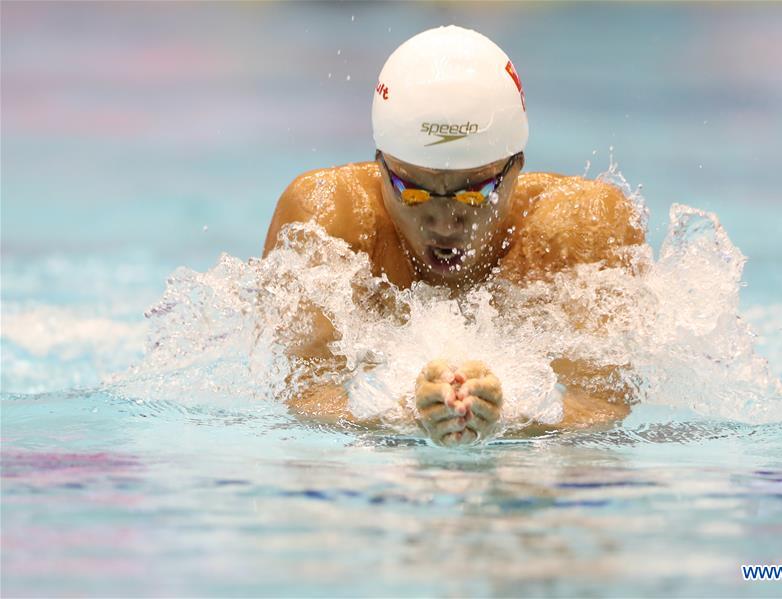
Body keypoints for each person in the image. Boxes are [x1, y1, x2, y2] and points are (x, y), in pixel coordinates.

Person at [263, 26, 643, 446]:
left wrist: (508, 418)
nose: (444, 222)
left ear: (516, 167)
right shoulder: (331, 220)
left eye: (474, 193)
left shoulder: (578, 229)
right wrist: (405, 416)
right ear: (380, 165)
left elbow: (603, 404)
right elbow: (304, 393)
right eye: (414, 191)